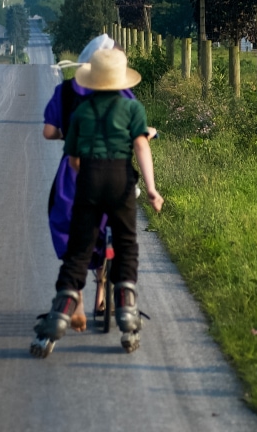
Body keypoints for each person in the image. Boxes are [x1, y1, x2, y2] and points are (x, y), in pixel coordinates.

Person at [31, 48, 163, 358]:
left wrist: (88, 177)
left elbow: (73, 157)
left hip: (88, 178)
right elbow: (141, 146)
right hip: (120, 179)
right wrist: (153, 190)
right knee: (126, 244)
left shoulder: (81, 113)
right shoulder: (132, 108)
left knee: (78, 250)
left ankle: (60, 315)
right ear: (120, 80)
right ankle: (128, 314)